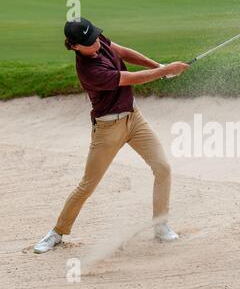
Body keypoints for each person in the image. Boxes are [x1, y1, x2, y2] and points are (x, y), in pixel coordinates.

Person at [34, 17, 189, 254]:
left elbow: (124, 52)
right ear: (75, 46)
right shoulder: (89, 72)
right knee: (87, 185)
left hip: (134, 119)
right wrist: (165, 71)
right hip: (108, 130)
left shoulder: (98, 40)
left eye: (95, 36)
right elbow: (131, 79)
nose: (95, 42)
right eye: (88, 41)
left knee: (163, 168)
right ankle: (57, 232)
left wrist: (157, 65)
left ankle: (160, 225)